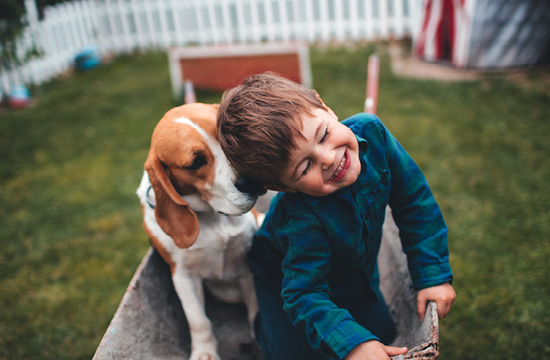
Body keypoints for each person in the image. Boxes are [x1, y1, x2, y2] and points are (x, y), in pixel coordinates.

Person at [217, 72, 455, 360]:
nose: (329, 159)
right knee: (298, 353)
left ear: (324, 106)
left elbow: (414, 201)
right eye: (305, 168)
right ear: (283, 188)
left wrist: (432, 275)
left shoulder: (374, 135)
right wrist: (354, 344)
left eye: (325, 135)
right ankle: (266, 330)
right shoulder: (302, 221)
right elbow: (304, 293)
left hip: (352, 267)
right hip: (283, 276)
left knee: (383, 332)